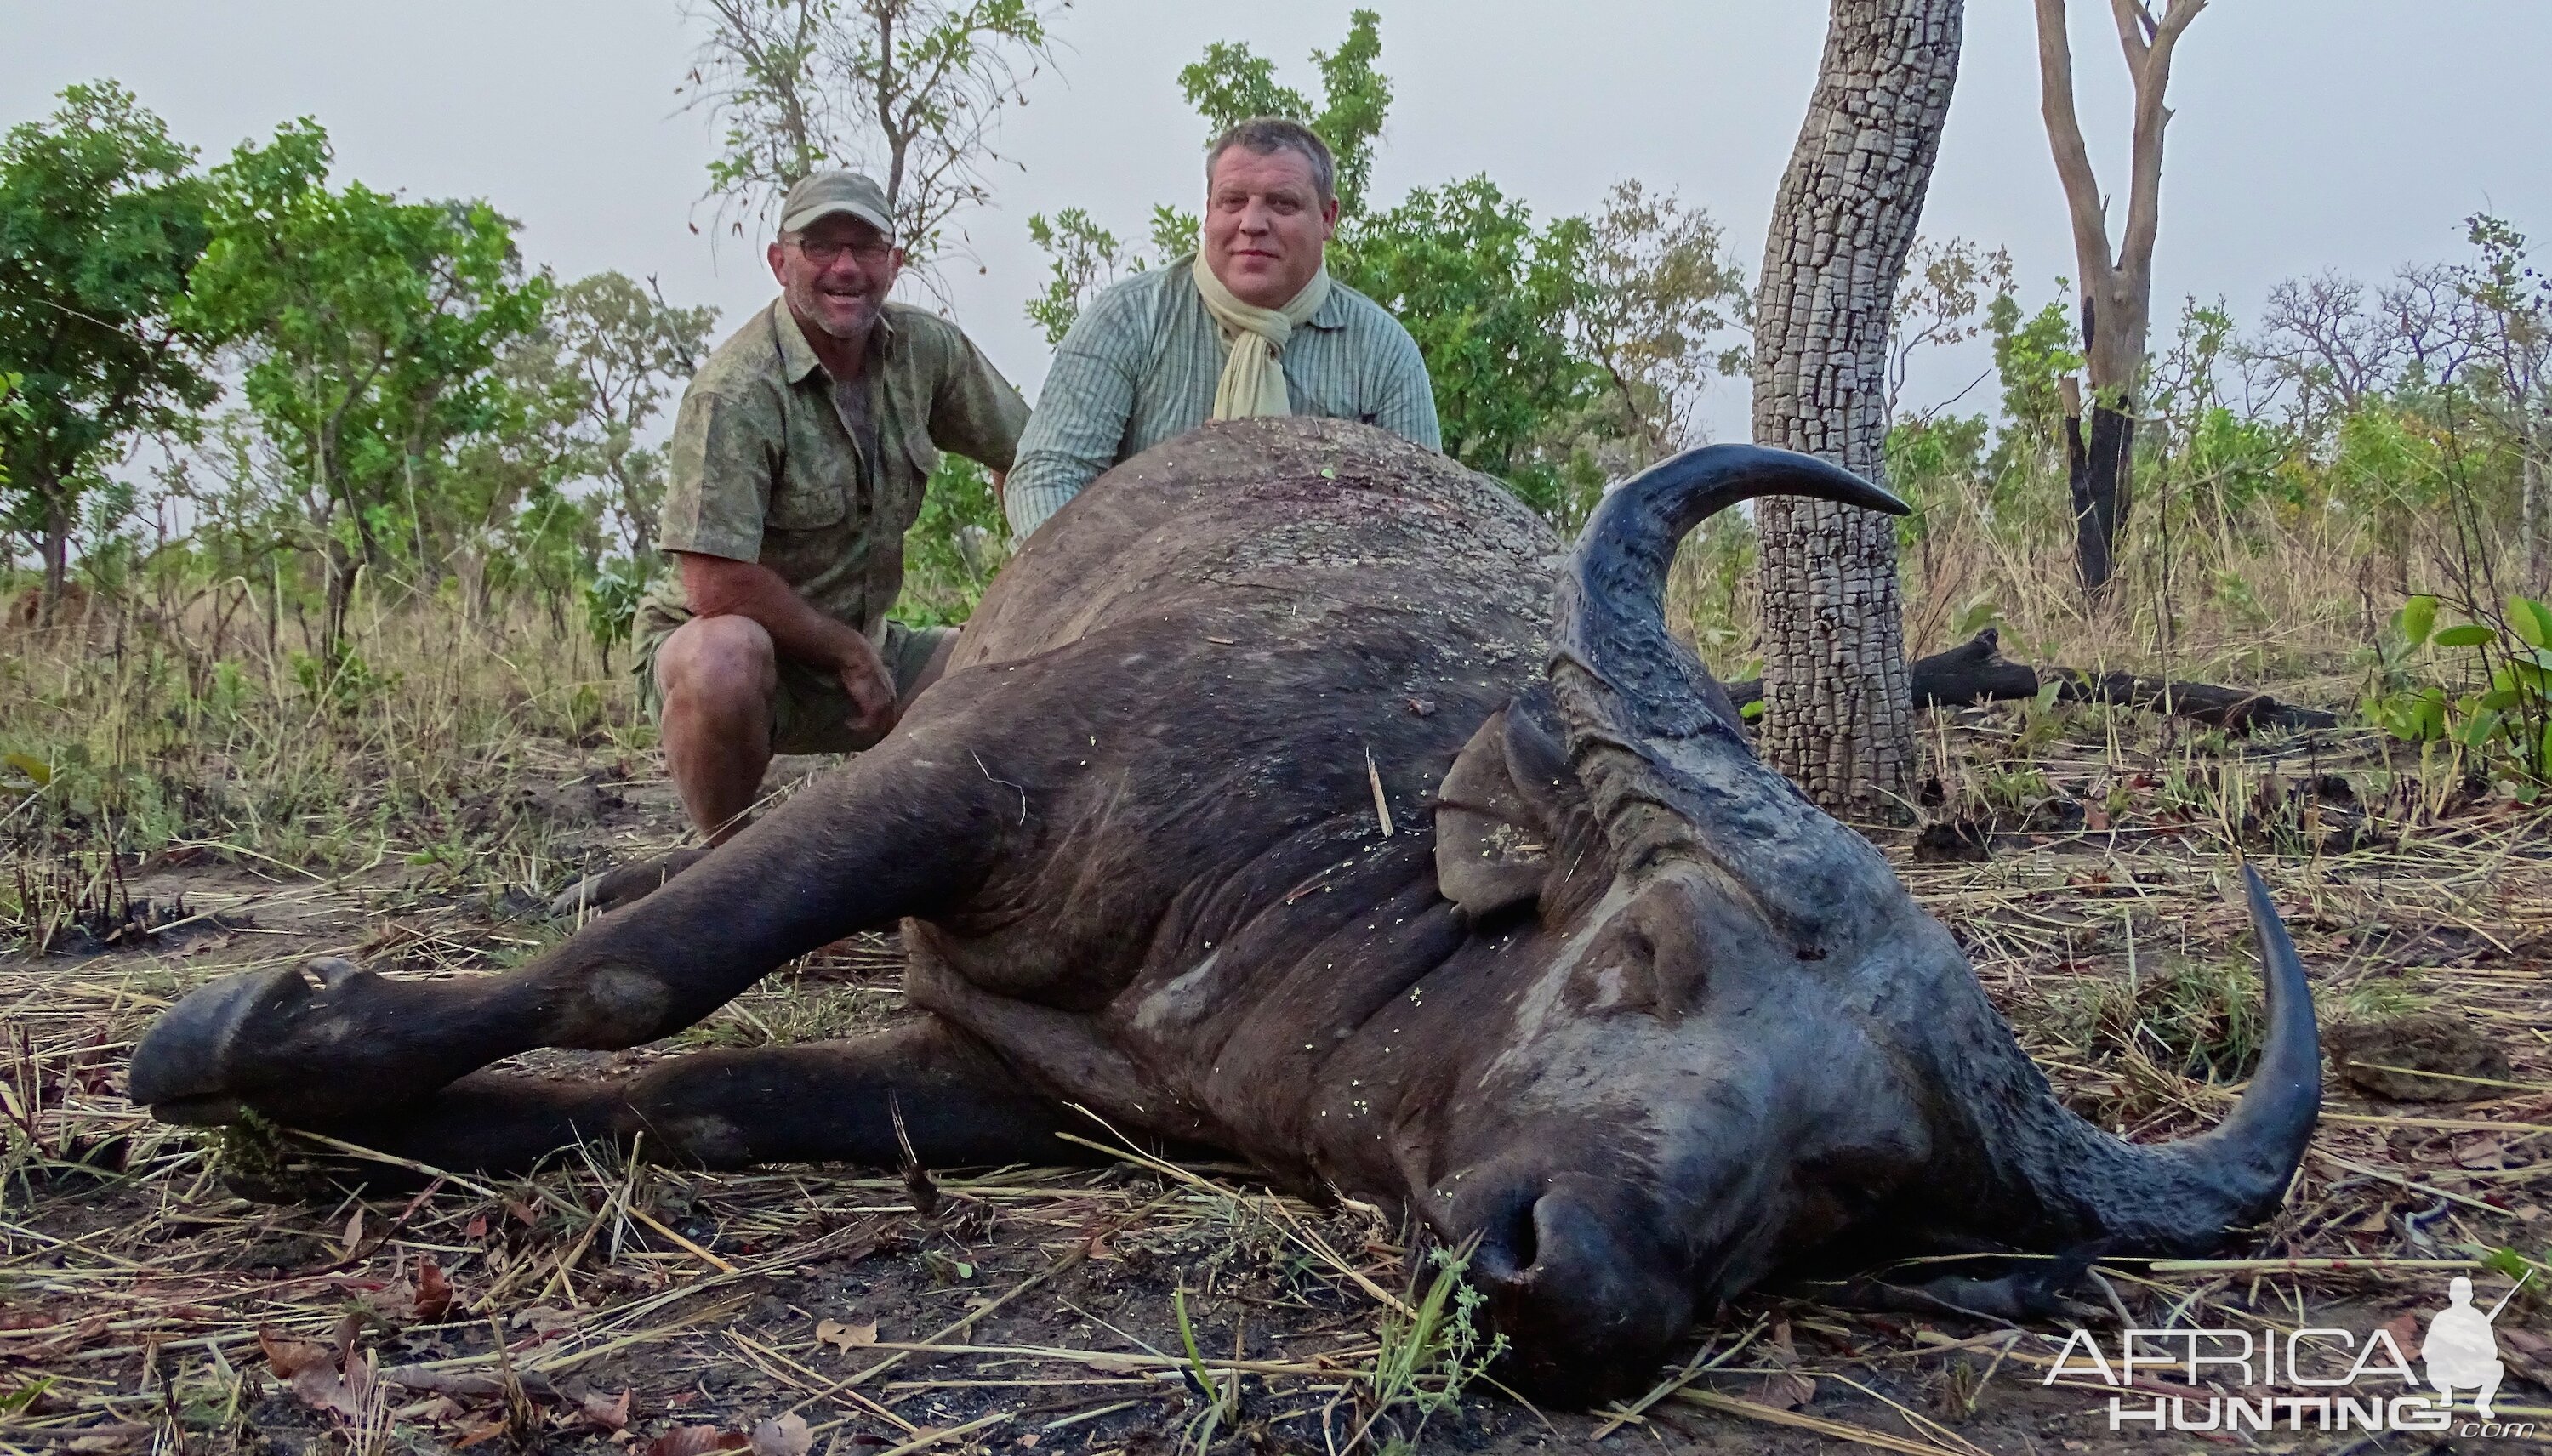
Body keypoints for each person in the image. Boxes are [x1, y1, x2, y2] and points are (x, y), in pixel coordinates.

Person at [639, 170, 1028, 846]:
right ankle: (726, 862)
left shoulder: (926, 351)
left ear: (894, 262)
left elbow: (1033, 455)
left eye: (866, 247)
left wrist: (1032, 585)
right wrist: (844, 652)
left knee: (1014, 671)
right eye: (821, 247)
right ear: (779, 261)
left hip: (875, 646)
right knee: (723, 659)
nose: (845, 268)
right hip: (748, 650)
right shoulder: (733, 392)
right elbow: (713, 583)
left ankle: (939, 867)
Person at [1002, 117, 1440, 538]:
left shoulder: (1384, 351)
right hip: (1135, 589)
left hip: (1323, 599)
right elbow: (1049, 474)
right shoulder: (1129, 317)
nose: (1252, 223)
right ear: (1208, 212)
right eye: (1232, 201)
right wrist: (1092, 591)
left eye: (1282, 203)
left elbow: (1423, 512)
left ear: (1328, 218)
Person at [2424, 1275, 2506, 1419]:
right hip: (2447, 1371)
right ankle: (2446, 1393)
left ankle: (2483, 1402)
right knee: (2433, 1366)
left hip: (2472, 1371)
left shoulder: (2479, 1318)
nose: (2461, 1297)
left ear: (2471, 1295)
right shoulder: (2442, 1317)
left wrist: (2476, 1345)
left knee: (2497, 1367)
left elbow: (2492, 1351)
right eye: (2457, 1292)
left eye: (2464, 1293)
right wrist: (2451, 1346)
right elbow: (2427, 1351)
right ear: (2451, 1295)